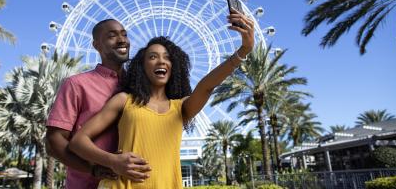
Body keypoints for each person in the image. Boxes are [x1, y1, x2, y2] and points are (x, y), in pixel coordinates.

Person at [69, 11, 254, 189]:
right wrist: (113, 161)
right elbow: (78, 141)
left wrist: (244, 50)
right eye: (152, 57)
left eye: (167, 58)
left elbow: (206, 86)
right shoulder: (123, 101)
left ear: (174, 66)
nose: (161, 61)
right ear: (142, 66)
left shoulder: (181, 108)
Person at [45, 19, 151, 189]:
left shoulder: (142, 87)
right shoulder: (76, 85)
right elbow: (53, 141)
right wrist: (93, 168)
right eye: (112, 36)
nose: (122, 39)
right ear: (96, 45)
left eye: (124, 34)